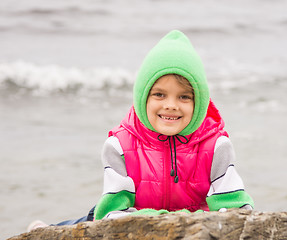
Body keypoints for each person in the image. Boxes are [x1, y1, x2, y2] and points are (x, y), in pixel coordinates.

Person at [28, 30, 253, 230]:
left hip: (186, 219)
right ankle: (45, 229)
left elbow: (237, 210)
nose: (171, 105)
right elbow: (112, 215)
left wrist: (180, 221)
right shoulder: (120, 145)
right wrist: (172, 221)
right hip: (133, 210)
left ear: (200, 102)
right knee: (89, 220)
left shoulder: (215, 146)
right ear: (142, 97)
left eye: (184, 96)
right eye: (159, 94)